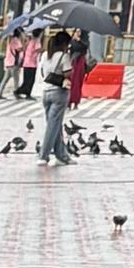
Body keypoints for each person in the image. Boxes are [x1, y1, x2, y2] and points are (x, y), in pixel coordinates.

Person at [38, 26, 80, 166]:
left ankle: (62, 155)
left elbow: (43, 74)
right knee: (53, 126)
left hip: (45, 93)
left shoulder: (45, 55)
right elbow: (68, 74)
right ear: (64, 44)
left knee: (55, 125)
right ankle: (43, 156)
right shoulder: (64, 56)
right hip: (59, 93)